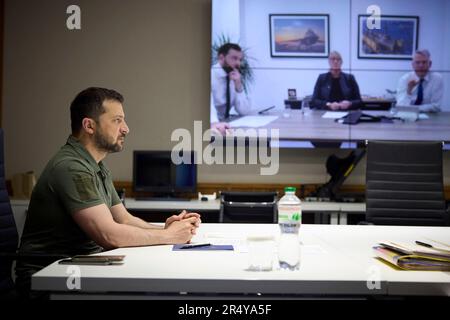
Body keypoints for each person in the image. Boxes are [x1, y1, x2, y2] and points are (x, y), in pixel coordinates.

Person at [15, 87, 201, 298]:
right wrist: (168, 236)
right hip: (50, 278)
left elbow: (123, 219)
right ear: (89, 125)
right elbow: (108, 235)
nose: (126, 129)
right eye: (117, 120)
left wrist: (162, 228)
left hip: (79, 267)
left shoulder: (96, 166)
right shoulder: (72, 167)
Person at [211, 43, 252, 135]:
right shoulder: (210, 76)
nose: (238, 63)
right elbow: (208, 106)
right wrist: (214, 122)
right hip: (211, 127)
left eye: (240, 59)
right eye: (234, 58)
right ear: (221, 57)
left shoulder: (233, 75)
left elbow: (244, 111)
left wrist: (238, 84)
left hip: (227, 123)